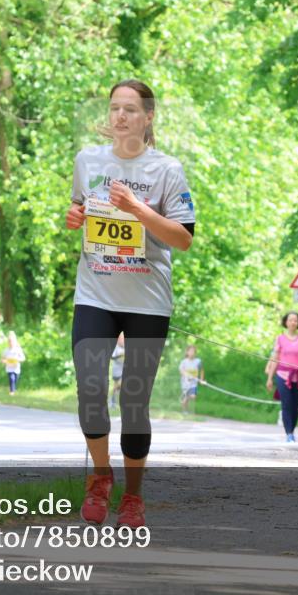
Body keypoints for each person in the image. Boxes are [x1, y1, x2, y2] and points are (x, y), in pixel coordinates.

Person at [65, 79, 195, 530]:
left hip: (147, 299)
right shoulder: (88, 160)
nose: (120, 117)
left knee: (134, 402)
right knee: (90, 389)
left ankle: (133, 498)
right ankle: (100, 478)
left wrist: (139, 208)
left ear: (149, 117)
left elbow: (183, 239)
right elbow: (80, 209)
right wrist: (74, 218)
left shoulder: (166, 169)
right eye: (115, 109)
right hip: (96, 291)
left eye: (131, 110)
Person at [265, 312, 298, 443]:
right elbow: (275, 358)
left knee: (295, 406)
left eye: (295, 320)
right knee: (286, 404)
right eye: (290, 320)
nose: (293, 323)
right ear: (286, 322)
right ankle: (289, 433)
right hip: (283, 375)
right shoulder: (280, 339)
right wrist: (269, 378)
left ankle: (292, 430)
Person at [178, 345, 204, 414]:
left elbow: (201, 370)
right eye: (190, 351)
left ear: (195, 353)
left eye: (193, 351)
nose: (192, 353)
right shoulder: (184, 362)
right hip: (185, 383)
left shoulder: (198, 361)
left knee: (193, 396)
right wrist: (186, 374)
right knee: (186, 399)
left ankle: (185, 398)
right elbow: (181, 371)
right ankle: (185, 410)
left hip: (193, 383)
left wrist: (201, 380)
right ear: (187, 352)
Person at [2, 331, 26, 396]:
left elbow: (23, 358)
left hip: (16, 368)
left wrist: (18, 360)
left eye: (12, 341)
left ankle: (13, 389)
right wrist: (5, 361)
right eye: (9, 342)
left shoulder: (18, 350)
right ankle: (12, 391)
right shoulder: (6, 350)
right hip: (9, 368)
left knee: (15, 379)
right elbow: (3, 358)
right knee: (11, 378)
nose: (11, 343)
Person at [109, 333, 125, 411]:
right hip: (117, 370)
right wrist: (120, 355)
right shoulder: (116, 348)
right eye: (121, 339)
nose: (123, 341)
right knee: (116, 385)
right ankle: (112, 400)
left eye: (123, 339)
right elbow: (112, 357)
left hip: (124, 369)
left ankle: (116, 400)